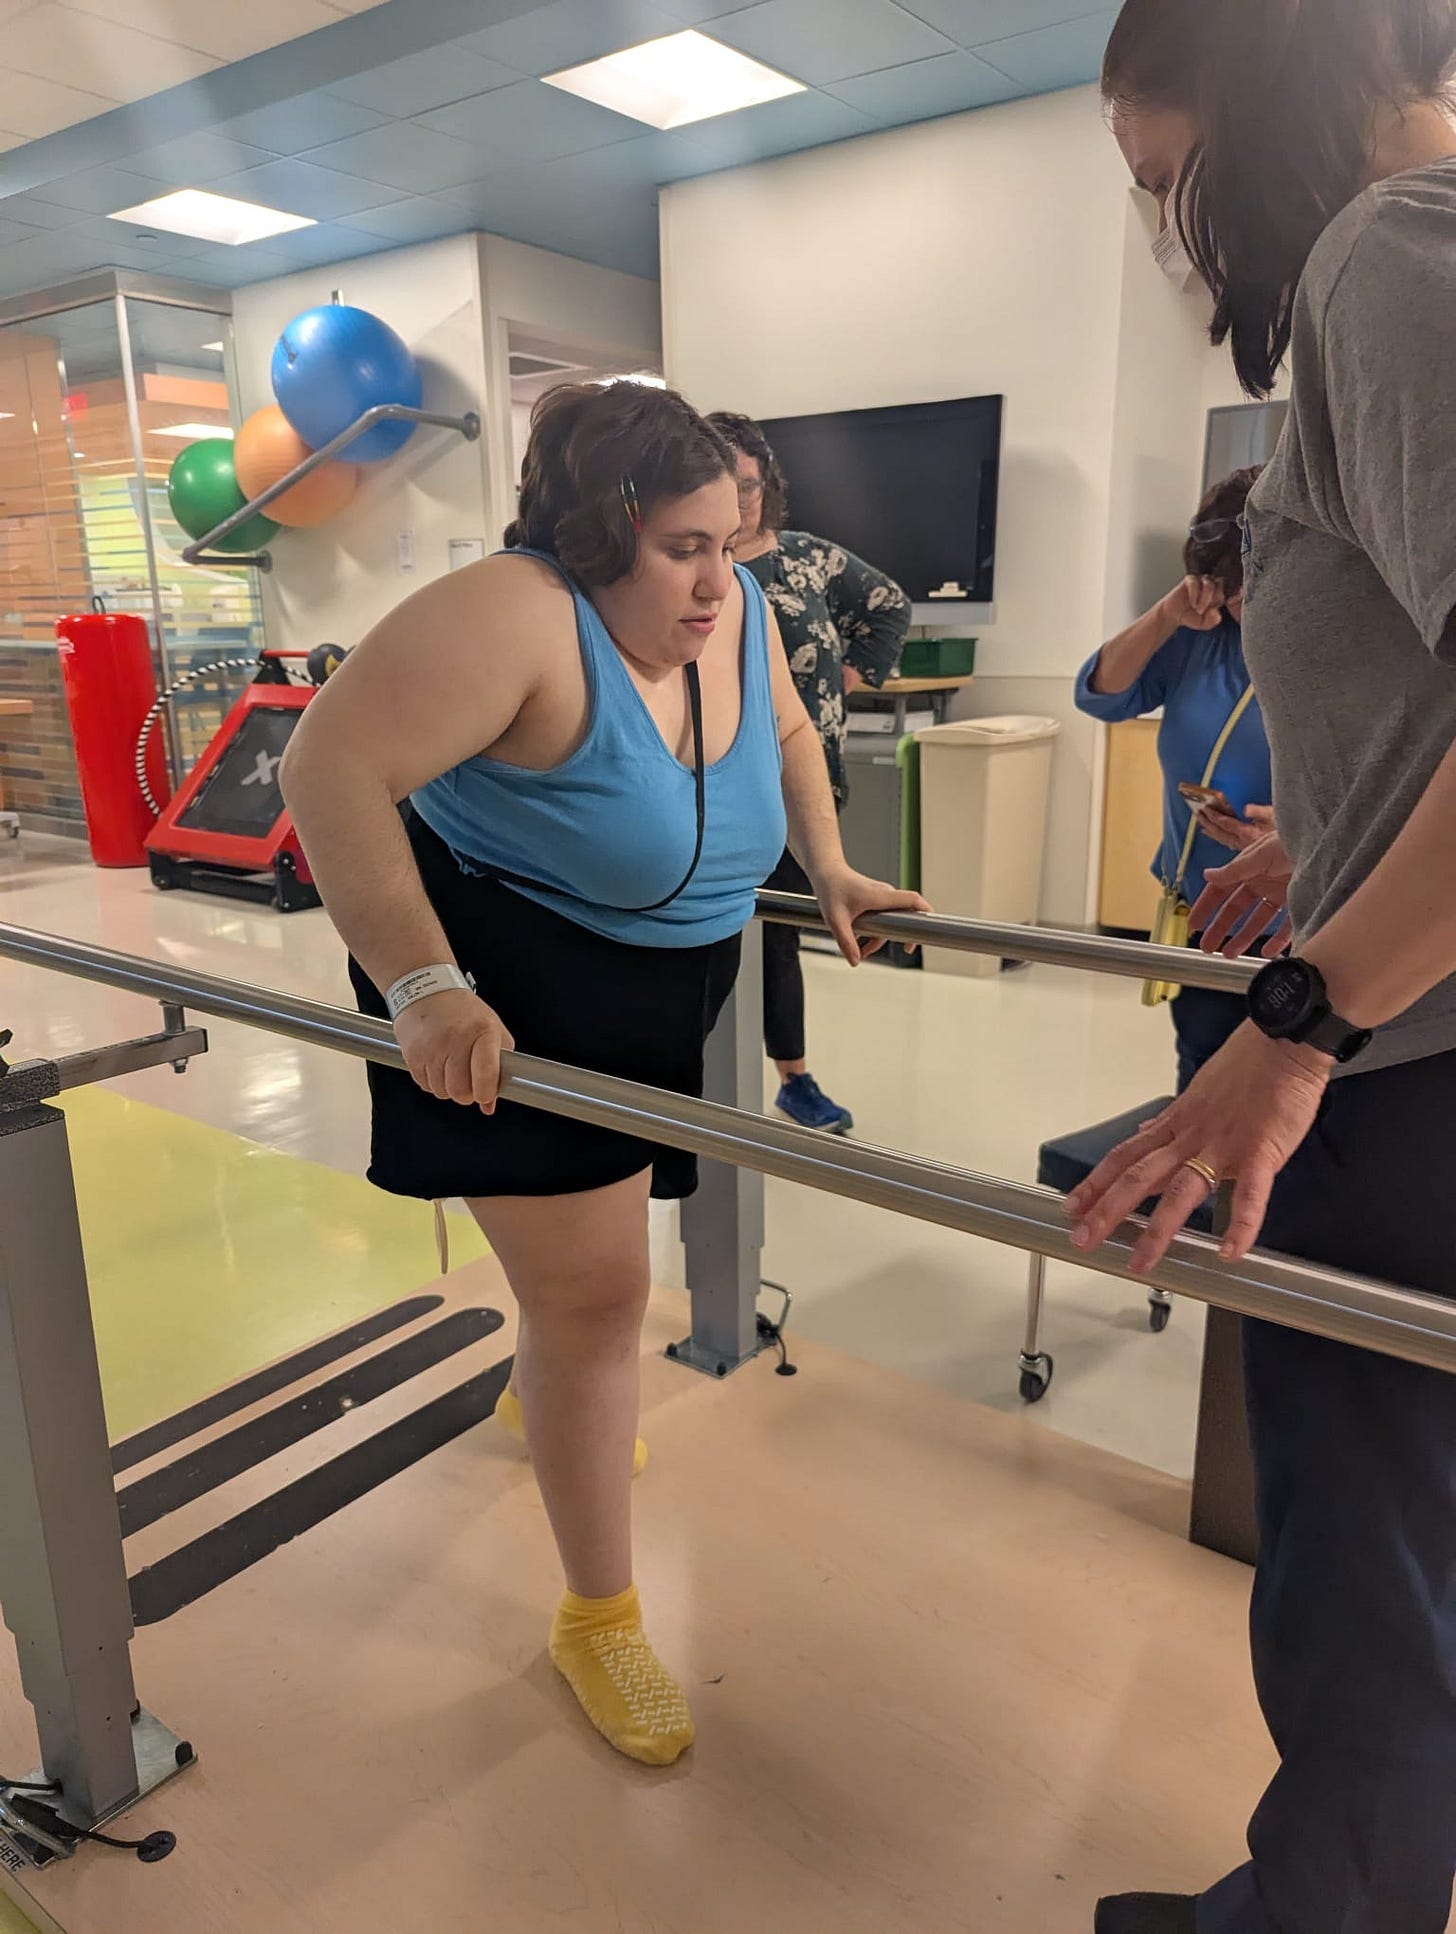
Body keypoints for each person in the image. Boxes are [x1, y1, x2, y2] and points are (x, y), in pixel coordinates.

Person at [279, 381, 925, 1770]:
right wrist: (423, 983)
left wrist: (828, 864)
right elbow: (323, 764)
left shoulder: (733, 606)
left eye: (731, 539)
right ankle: (599, 1612)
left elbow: (792, 728)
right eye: (686, 546)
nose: (719, 579)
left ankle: (555, 1381)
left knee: (584, 1285)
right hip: (508, 981)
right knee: (603, 1295)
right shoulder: (511, 613)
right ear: (598, 529)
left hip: (663, 977)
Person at [1070, 6, 1456, 1932]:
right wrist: (1340, 823)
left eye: (1167, 179)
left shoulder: (1391, 245)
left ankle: (1327, 1915)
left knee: (1363, 1548)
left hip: (1411, 1068)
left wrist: (1298, 1023)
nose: (1180, 237)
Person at [707, 411, 912, 1134]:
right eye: (722, 484)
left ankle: (792, 1078)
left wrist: (850, 677)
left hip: (808, 781)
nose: (739, 501)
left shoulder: (805, 560)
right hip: (720, 787)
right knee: (727, 937)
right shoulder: (699, 575)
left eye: (750, 486)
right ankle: (713, 1083)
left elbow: (890, 607)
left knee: (780, 934)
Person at [1076, 468, 1274, 1091]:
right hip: (1202, 910)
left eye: (1249, 583)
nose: (1238, 602)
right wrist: (1168, 612)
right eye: (1225, 585)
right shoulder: (1204, 642)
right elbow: (1101, 695)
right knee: (1204, 1073)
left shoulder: (1327, 654)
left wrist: (1298, 834)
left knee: (1291, 1092)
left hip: (1295, 917)